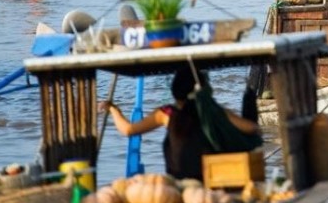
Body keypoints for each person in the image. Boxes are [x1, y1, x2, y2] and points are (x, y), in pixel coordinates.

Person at [98, 67, 259, 180]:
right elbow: (251, 128)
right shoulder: (212, 111)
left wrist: (113, 109)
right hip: (211, 181)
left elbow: (128, 130)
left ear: (175, 90)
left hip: (178, 183)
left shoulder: (166, 113)